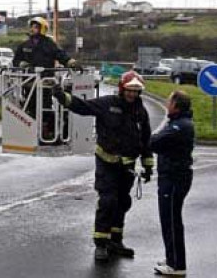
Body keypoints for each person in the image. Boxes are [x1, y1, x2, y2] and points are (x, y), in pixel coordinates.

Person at [53, 71, 155, 262]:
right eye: (129, 90)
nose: (132, 95)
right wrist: (62, 97)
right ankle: (101, 243)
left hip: (128, 167)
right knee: (107, 201)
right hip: (107, 163)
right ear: (122, 89)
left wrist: (148, 165)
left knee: (123, 202)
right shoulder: (107, 104)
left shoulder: (141, 112)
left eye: (136, 91)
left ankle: (116, 241)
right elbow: (82, 107)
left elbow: (145, 140)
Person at [150, 91, 195, 276]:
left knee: (171, 221)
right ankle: (173, 258)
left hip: (174, 178)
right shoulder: (178, 123)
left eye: (169, 101)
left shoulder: (179, 126)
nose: (167, 103)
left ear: (176, 105)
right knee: (170, 220)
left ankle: (176, 266)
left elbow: (155, 142)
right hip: (172, 177)